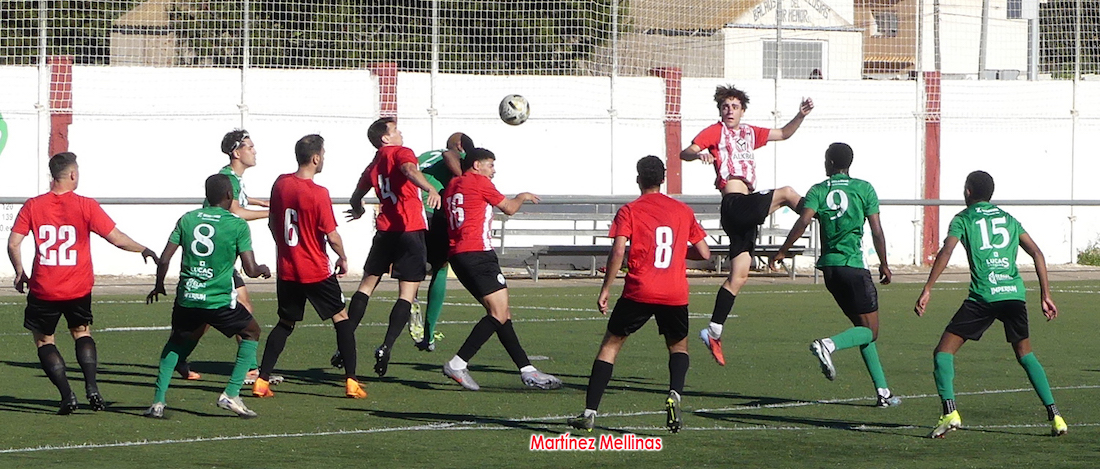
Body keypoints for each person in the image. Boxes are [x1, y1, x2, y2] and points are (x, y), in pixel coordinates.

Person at [914, 170, 1067, 438]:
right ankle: (1056, 416)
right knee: (1025, 355)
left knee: (943, 353)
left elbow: (947, 251)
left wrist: (928, 288)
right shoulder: (1008, 219)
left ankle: (950, 411)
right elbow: (1037, 253)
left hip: (984, 296)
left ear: (968, 191)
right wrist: (1046, 294)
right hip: (1013, 294)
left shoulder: (963, 218)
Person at [6, 152, 158, 414]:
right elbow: (116, 238)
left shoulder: (33, 205)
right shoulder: (86, 205)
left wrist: (20, 272)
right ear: (72, 174)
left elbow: (13, 243)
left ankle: (67, 396)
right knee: (81, 332)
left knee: (44, 341)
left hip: (44, 288)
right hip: (78, 287)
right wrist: (143, 249)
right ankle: (92, 388)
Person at [567, 156, 710, 434]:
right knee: (678, 347)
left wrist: (606, 288)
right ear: (663, 179)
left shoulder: (630, 210)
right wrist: (678, 252)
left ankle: (589, 413)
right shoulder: (683, 210)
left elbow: (618, 251)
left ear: (638, 179)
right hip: (674, 292)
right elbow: (704, 253)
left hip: (640, 289)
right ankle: (674, 394)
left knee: (610, 346)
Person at [680, 84, 814, 366]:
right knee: (787, 193)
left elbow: (783, 133)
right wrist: (699, 154)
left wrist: (800, 115)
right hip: (734, 203)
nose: (729, 111)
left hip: (743, 209)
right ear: (720, 110)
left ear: (742, 110)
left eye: (734, 106)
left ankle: (713, 330)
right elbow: (686, 152)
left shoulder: (750, 133)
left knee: (739, 276)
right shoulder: (715, 132)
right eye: (725, 107)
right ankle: (823, 216)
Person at [769, 143, 900, 407]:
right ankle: (827, 345)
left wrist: (783, 251)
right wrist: (884, 264)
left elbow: (803, 221)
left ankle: (883, 392)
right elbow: (876, 230)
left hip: (830, 270)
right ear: (849, 163)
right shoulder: (864, 188)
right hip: (853, 267)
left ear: (829, 162)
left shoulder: (818, 190)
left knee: (863, 329)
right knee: (871, 331)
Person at [143, 174, 272, 419]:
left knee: (176, 342)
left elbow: (165, 258)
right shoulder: (237, 225)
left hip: (188, 296)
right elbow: (250, 269)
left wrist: (159, 285)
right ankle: (231, 394)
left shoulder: (188, 219)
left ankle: (158, 402)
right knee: (251, 332)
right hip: (217, 300)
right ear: (229, 195)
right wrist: (262, 269)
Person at [253, 134, 365, 399]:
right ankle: (351, 381)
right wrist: (343, 257)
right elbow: (332, 235)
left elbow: (272, 222)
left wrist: (284, 248)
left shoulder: (280, 183)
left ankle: (262, 380)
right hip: (315, 270)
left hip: (288, 269)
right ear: (315, 158)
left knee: (285, 323)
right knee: (341, 319)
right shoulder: (318, 193)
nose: (324, 159)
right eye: (323, 154)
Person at [440, 147, 561, 391]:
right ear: (477, 165)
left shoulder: (452, 185)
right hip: (478, 254)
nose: (493, 171)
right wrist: (522, 196)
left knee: (502, 314)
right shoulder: (479, 182)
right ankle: (458, 363)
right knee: (498, 313)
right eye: (490, 165)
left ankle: (527, 369)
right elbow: (509, 208)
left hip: (459, 255)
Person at [174, 129, 276, 385]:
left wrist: (261, 202)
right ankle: (250, 369)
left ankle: (179, 358)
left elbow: (240, 200)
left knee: (211, 317)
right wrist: (273, 212)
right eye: (250, 147)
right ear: (236, 153)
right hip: (218, 258)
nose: (254, 151)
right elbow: (237, 212)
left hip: (220, 255)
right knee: (237, 311)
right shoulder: (228, 178)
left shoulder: (233, 178)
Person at [343, 117, 440, 378]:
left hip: (385, 231)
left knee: (366, 286)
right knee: (406, 294)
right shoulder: (401, 152)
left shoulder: (374, 163)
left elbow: (357, 193)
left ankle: (345, 341)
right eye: (395, 130)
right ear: (385, 138)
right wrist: (430, 188)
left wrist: (357, 207)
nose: (400, 133)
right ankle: (386, 346)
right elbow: (408, 170)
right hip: (409, 229)